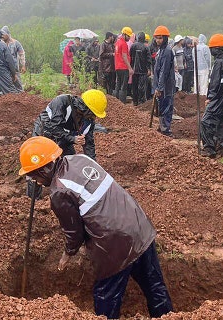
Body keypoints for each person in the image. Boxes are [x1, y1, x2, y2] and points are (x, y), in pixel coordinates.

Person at [18, 136, 173, 319]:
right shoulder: (80, 159)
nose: (34, 180)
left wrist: (68, 253)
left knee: (106, 296)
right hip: (139, 225)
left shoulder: (59, 192)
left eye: (34, 175)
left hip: (114, 242)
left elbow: (74, 233)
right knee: (154, 286)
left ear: (45, 169)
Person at [32, 89, 106, 160]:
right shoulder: (62, 102)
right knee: (40, 160)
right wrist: (73, 139)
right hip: (44, 132)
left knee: (69, 162)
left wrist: (92, 163)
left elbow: (89, 144)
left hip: (64, 137)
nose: (93, 117)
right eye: (93, 114)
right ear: (86, 109)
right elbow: (53, 126)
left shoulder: (89, 120)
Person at [200, 34, 223, 158]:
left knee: (205, 121)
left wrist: (210, 98)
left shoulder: (219, 62)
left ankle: (209, 148)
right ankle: (220, 147)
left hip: (218, 98)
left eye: (212, 48)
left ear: (216, 49)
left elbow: (214, 83)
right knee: (220, 123)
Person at [152, 26, 176, 137]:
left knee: (166, 107)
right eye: (156, 38)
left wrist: (159, 87)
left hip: (166, 86)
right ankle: (162, 127)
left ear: (165, 38)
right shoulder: (160, 50)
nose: (158, 40)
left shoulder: (167, 51)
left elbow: (164, 71)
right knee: (161, 106)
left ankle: (166, 130)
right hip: (160, 85)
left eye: (160, 38)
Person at [0, 26, 26, 90]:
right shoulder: (0, 43)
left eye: (3, 34)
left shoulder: (15, 43)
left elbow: (21, 54)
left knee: (18, 85)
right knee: (2, 87)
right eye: (1, 34)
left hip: (14, 69)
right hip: (4, 69)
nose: (2, 36)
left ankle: (20, 97)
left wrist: (23, 65)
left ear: (7, 34)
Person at [130, 32, 151, 106]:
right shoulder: (146, 47)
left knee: (134, 86)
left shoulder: (133, 46)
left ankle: (135, 101)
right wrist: (149, 69)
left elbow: (130, 57)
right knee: (141, 87)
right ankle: (141, 102)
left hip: (134, 70)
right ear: (144, 39)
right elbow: (149, 60)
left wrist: (131, 67)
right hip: (143, 70)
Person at [114, 27, 134, 103]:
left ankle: (116, 102)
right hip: (123, 67)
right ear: (124, 34)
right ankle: (122, 103)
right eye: (128, 36)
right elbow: (124, 56)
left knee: (118, 85)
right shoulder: (123, 44)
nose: (129, 38)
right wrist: (130, 68)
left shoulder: (117, 42)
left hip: (117, 67)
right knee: (124, 86)